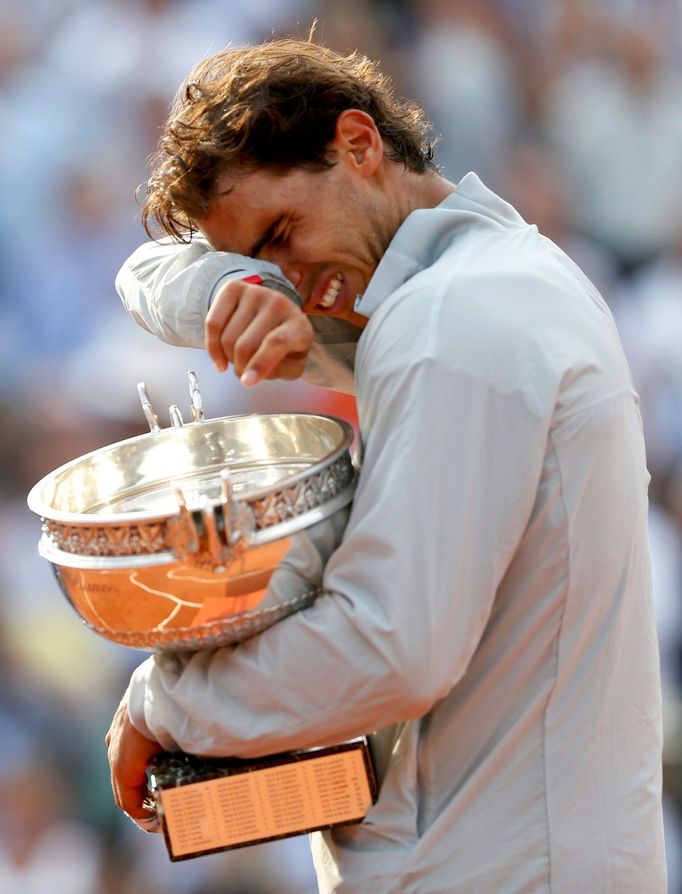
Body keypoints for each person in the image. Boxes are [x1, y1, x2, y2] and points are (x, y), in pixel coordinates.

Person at [106, 38, 666, 893]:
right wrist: (229, 289)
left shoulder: (443, 320)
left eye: (282, 235)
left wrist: (166, 701)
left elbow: (392, 646)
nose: (286, 280)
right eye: (259, 260)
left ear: (359, 145)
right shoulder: (490, 275)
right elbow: (143, 273)